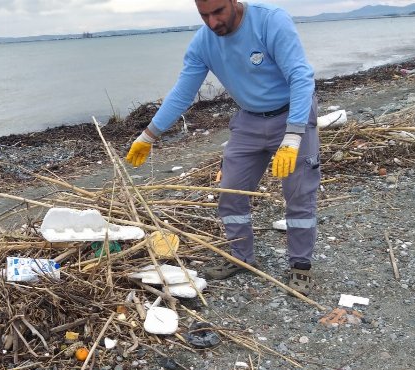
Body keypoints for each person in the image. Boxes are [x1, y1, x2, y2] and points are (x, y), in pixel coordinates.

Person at [126, 0, 320, 295]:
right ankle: (241, 256)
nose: (213, 22)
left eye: (218, 12)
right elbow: (183, 92)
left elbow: (301, 77)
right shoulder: (204, 42)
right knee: (230, 193)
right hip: (249, 120)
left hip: (292, 114)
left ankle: (300, 266)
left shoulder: (271, 21)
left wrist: (293, 135)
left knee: (298, 193)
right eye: (204, 15)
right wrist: (148, 135)